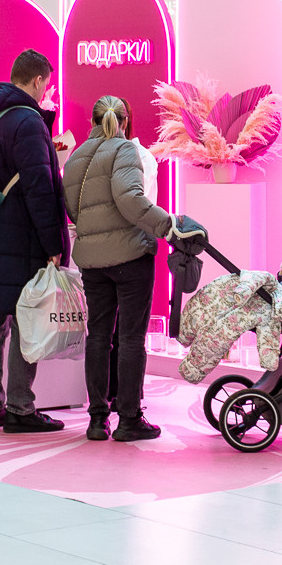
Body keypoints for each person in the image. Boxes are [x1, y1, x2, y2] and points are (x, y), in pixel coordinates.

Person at [63, 95, 177, 441]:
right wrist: (167, 225)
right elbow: (131, 200)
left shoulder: (76, 156)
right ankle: (129, 417)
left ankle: (97, 419)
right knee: (130, 338)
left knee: (98, 336)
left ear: (92, 121)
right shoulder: (125, 149)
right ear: (125, 121)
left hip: (92, 262)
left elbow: (72, 209)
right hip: (130, 257)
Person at [0, 48, 70, 434]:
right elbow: (39, 189)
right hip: (22, 233)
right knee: (26, 318)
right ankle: (20, 408)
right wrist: (53, 242)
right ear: (39, 81)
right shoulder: (28, 122)